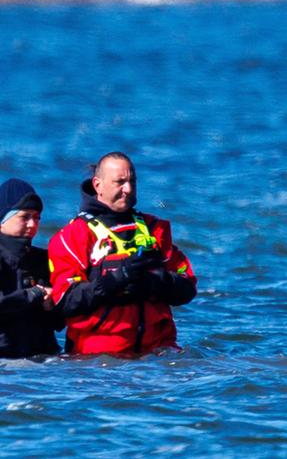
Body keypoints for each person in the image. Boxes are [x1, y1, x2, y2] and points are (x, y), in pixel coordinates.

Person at [48, 152, 197, 357]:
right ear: (97, 185)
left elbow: (188, 287)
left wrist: (158, 281)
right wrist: (114, 279)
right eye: (120, 182)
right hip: (98, 359)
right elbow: (64, 301)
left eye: (132, 182)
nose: (128, 189)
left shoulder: (155, 228)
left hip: (159, 354)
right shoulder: (72, 236)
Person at [0, 178, 59, 359]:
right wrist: (32, 295)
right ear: (2, 219)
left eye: (37, 218)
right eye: (25, 217)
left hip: (41, 359)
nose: (33, 225)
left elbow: (60, 321)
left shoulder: (43, 259)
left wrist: (55, 303)